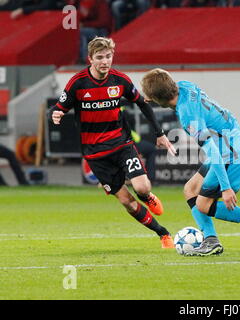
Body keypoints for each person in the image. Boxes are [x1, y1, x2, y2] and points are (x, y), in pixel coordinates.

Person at [48, 37, 176, 248]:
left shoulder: (120, 80)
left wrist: (159, 133)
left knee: (142, 187)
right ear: (90, 59)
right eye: (99, 57)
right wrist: (56, 115)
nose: (104, 61)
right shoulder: (77, 83)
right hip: (95, 154)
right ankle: (163, 233)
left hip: (121, 144)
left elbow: (143, 105)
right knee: (127, 201)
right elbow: (58, 108)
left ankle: (147, 196)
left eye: (108, 56)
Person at [140, 68, 240, 256]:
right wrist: (153, 95)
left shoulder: (188, 117)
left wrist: (226, 188)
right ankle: (211, 240)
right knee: (190, 189)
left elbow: (212, 152)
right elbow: (165, 84)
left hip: (231, 154)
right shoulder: (184, 86)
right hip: (229, 144)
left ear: (158, 99)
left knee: (203, 204)